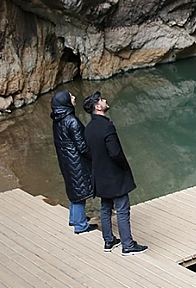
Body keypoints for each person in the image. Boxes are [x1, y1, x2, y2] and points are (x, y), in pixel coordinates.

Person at [83, 91, 148, 256]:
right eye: (102, 100)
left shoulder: (89, 128)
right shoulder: (107, 126)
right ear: (98, 106)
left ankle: (108, 241)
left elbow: (88, 152)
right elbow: (115, 152)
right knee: (122, 208)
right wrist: (124, 166)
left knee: (105, 207)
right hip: (113, 175)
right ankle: (127, 245)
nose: (105, 101)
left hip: (99, 175)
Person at [50, 90, 96, 233]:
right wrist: (94, 156)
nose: (74, 97)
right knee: (80, 192)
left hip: (66, 161)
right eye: (71, 97)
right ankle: (80, 225)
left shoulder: (58, 119)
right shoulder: (72, 120)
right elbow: (82, 146)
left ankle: (74, 218)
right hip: (76, 162)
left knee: (73, 189)